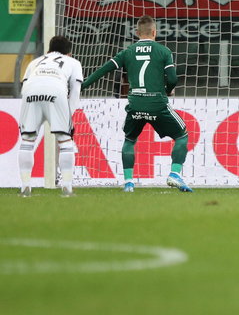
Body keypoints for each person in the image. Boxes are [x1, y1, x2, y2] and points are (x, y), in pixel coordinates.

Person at [81, 15, 193, 193]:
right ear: (154, 32)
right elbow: (173, 78)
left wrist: (83, 85)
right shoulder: (164, 51)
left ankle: (128, 183)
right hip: (157, 103)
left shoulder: (127, 52)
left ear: (136, 33)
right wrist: (167, 89)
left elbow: (104, 69)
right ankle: (174, 174)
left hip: (135, 104)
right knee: (182, 136)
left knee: (129, 140)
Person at [18, 35, 83, 198]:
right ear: (69, 53)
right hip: (56, 91)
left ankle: (25, 187)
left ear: (48, 50)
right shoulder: (73, 62)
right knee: (65, 140)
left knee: (27, 141)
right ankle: (67, 188)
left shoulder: (35, 62)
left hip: (30, 92)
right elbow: (75, 92)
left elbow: (24, 87)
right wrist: (69, 114)